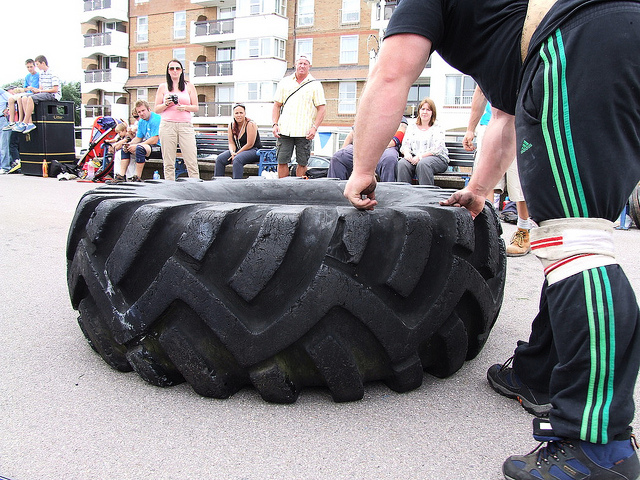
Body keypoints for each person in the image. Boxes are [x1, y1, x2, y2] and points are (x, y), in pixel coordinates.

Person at [343, 1, 640, 479]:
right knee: (564, 238)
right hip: (608, 38)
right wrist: (479, 190)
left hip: (582, 40)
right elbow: (504, 114)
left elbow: (391, 75)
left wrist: (361, 169)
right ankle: (541, 370)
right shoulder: (501, 19)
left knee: (578, 241)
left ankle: (599, 445)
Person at [465, 86, 533, 256]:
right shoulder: (490, 61)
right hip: (490, 123)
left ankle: (523, 231)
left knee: (519, 180)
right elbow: (481, 91)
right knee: (485, 182)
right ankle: (488, 232)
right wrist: (470, 129)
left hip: (521, 122)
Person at [271, 55, 326, 178]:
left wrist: (314, 128)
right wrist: (275, 124)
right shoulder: (284, 82)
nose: (302, 66)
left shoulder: (315, 85)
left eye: (305, 64)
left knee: (302, 162)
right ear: (295, 64)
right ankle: (283, 190)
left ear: (309, 66)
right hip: (285, 130)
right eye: (300, 63)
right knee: (282, 160)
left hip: (305, 131)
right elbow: (276, 105)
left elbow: (321, 108)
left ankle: (299, 191)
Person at [154, 59, 199, 180]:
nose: (174, 71)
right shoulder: (163, 87)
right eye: (171, 68)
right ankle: (170, 185)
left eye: (177, 68)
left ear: (181, 71)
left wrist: (185, 107)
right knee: (168, 161)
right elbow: (156, 109)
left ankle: (196, 187)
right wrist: (166, 104)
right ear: (168, 71)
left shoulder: (189, 86)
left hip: (185, 125)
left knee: (191, 160)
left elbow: (196, 107)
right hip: (167, 125)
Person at [328, 117, 408, 181]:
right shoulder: (367, 114)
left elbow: (398, 137)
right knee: (338, 157)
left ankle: (388, 194)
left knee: (389, 159)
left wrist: (374, 147)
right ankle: (335, 194)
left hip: (386, 148)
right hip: (362, 147)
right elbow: (352, 134)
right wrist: (342, 150)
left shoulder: (399, 117)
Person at [397, 98, 448, 185]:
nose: (425, 112)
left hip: (437, 158)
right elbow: (405, 145)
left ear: (432, 112)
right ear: (419, 111)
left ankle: (426, 196)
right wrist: (407, 154)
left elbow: (437, 148)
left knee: (423, 164)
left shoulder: (437, 127)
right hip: (415, 158)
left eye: (428, 110)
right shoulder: (412, 126)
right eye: (423, 109)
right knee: (402, 164)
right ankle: (404, 195)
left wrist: (420, 157)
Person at [108, 99, 161, 183]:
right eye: (139, 112)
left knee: (140, 148)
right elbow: (138, 138)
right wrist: (129, 144)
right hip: (148, 146)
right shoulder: (141, 122)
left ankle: (138, 177)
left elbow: (154, 139)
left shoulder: (156, 119)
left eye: (143, 110)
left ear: (148, 109)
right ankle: (121, 176)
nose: (141, 113)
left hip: (160, 147)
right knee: (125, 148)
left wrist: (137, 145)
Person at [15, 55, 61, 134]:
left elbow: (55, 90)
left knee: (30, 98)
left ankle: (25, 122)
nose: (37, 66)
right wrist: (36, 90)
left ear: (43, 63)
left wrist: (40, 91)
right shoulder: (42, 74)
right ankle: (29, 123)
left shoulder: (53, 73)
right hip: (44, 93)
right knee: (24, 97)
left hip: (52, 95)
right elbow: (41, 87)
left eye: (37, 64)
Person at [214, 103, 262, 179]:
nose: (239, 115)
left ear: (245, 113)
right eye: (236, 113)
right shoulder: (231, 125)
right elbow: (231, 143)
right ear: (233, 114)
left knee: (237, 160)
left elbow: (250, 144)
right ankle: (217, 183)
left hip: (254, 150)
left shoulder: (250, 124)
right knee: (220, 159)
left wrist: (237, 154)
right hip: (238, 151)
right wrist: (232, 152)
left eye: (241, 113)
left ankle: (237, 184)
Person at [3, 59, 39, 131]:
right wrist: (20, 90)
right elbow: (25, 87)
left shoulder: (38, 75)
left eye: (31, 67)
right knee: (11, 99)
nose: (29, 69)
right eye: (28, 67)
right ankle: (12, 122)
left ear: (34, 66)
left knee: (21, 98)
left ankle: (23, 121)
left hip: (33, 93)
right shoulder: (27, 76)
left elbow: (34, 89)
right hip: (27, 93)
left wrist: (22, 90)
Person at [0, 86, 17, 174]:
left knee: (3, 145)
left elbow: (13, 99)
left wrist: (8, 109)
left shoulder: (1, 92)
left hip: (2, 119)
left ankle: (5, 167)